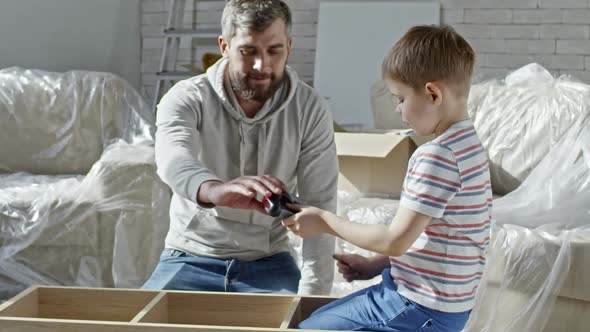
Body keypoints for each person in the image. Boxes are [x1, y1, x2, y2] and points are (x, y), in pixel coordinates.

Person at [283, 25, 492, 331]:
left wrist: (325, 221)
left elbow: (394, 240)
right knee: (317, 317)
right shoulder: (470, 147)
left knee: (307, 327)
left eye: (400, 98)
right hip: (442, 307)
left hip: (418, 307)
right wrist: (373, 265)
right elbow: (426, 236)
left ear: (432, 93)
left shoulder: (437, 155)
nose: (398, 110)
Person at [142, 0, 337, 296]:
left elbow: (320, 205)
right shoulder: (185, 98)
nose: (262, 66)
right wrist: (214, 191)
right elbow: (174, 161)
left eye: (275, 51)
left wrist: (312, 297)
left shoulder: (310, 108)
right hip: (190, 256)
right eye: (248, 51)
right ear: (224, 46)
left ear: (289, 46)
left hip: (269, 261)